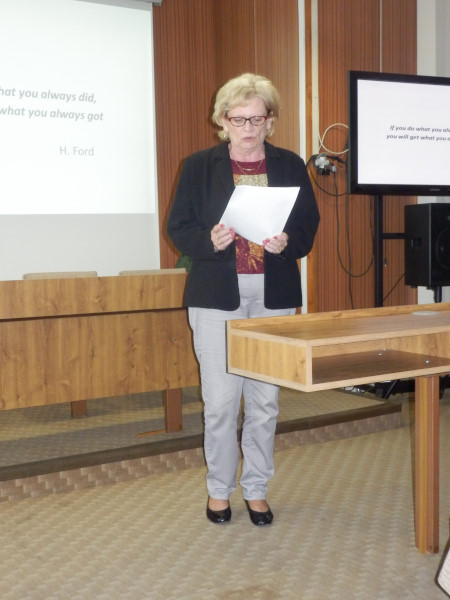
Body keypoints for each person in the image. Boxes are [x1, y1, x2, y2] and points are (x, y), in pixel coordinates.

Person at [167, 73, 319, 526]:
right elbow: (178, 228)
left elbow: (307, 225)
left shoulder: (289, 165)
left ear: (270, 120)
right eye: (239, 119)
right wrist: (208, 240)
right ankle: (219, 489)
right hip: (217, 295)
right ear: (222, 120)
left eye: (257, 118)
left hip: (273, 295)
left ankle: (256, 488)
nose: (248, 128)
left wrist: (288, 242)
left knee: (264, 401)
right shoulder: (198, 166)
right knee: (220, 402)